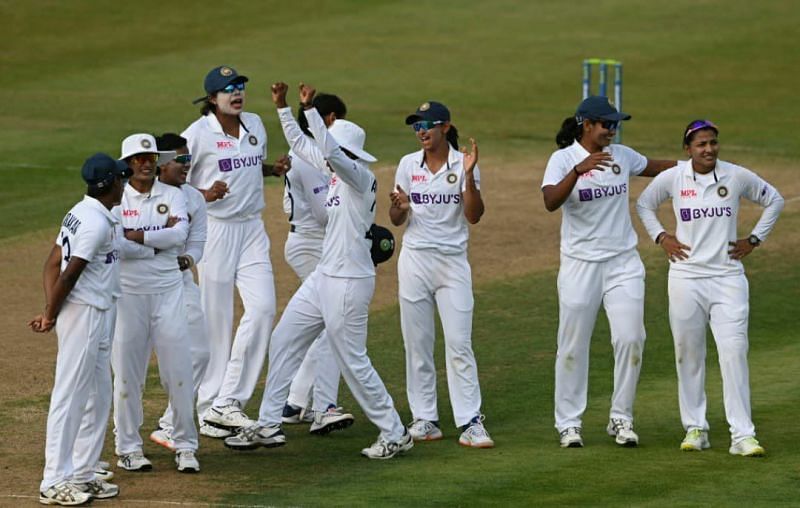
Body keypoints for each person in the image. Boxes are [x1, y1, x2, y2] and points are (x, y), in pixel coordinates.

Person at [224, 82, 412, 460]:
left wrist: (309, 111)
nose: (327, 156)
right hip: (325, 275)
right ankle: (268, 424)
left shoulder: (359, 176)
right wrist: (283, 107)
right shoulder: (337, 171)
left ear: (348, 152)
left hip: (349, 283)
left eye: (334, 151)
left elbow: (326, 150)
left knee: (353, 360)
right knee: (284, 340)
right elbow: (304, 146)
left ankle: (394, 432)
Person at [636, 120, 784, 456]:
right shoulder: (674, 177)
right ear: (688, 149)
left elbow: (774, 200)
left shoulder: (735, 175)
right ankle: (695, 428)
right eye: (701, 144)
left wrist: (755, 239)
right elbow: (644, 204)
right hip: (686, 277)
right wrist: (662, 237)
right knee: (688, 353)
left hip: (727, 278)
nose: (709, 150)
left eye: (713, 143)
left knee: (734, 352)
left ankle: (743, 436)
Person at [541, 96, 675, 448]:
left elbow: (657, 167)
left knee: (632, 338)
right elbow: (551, 201)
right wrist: (577, 171)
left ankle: (621, 418)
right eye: (606, 124)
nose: (612, 130)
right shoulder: (562, 159)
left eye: (615, 124)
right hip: (579, 265)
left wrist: (697, 163)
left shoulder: (623, 156)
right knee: (571, 346)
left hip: (622, 264)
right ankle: (569, 424)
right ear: (586, 124)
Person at [181, 65, 290, 438]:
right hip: (215, 230)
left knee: (262, 310)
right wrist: (204, 195)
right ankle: (207, 407)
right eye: (228, 89)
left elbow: (245, 166)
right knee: (217, 319)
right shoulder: (196, 135)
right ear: (213, 99)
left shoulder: (256, 124)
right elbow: (170, 183)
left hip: (252, 229)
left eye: (240, 85)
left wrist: (271, 170)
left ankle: (230, 401)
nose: (237, 92)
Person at [389, 101, 493, 448]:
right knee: (417, 343)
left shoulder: (462, 163)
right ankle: (425, 418)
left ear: (445, 127)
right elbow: (396, 218)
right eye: (416, 126)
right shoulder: (407, 164)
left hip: (452, 263)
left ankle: (471, 421)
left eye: (427, 125)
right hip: (415, 260)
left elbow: (474, 215)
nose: (421, 131)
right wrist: (399, 208)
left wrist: (469, 177)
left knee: (459, 343)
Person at [31, 153, 127, 505]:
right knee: (70, 396)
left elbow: (51, 262)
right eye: (121, 177)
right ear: (109, 185)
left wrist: (49, 310)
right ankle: (53, 480)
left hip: (99, 312)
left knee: (99, 394)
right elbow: (67, 273)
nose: (126, 181)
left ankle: (83, 473)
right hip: (84, 314)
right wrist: (51, 314)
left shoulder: (86, 212)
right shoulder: (95, 223)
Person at [111, 133, 199, 473]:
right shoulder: (118, 201)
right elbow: (117, 245)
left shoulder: (174, 195)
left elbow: (179, 236)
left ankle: (186, 444)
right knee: (127, 374)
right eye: (138, 158)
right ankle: (128, 447)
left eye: (150, 157)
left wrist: (137, 236)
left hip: (168, 291)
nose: (146, 163)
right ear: (129, 163)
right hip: (129, 294)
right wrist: (154, 241)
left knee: (178, 371)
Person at [278, 92, 355, 433]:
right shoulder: (309, 160)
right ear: (329, 120)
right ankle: (323, 406)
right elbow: (327, 214)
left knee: (326, 324)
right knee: (332, 323)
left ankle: (295, 402)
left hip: (318, 244)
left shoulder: (312, 152)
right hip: (310, 244)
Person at [147, 134, 210, 451]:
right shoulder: (137, 195)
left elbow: (197, 243)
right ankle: (124, 440)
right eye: (181, 160)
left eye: (189, 160)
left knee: (199, 352)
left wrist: (186, 259)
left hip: (179, 281)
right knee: (131, 362)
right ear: (160, 163)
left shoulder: (194, 199)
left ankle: (171, 425)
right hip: (137, 285)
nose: (188, 166)